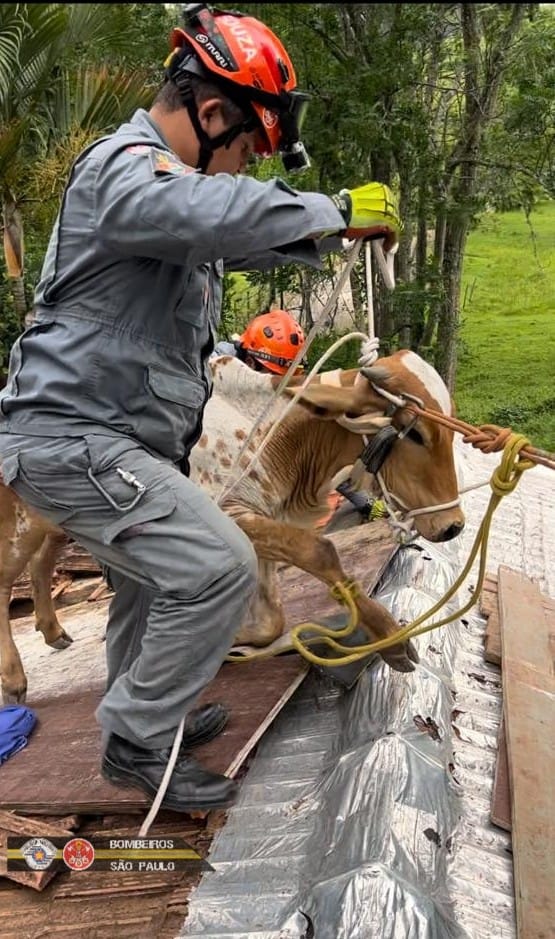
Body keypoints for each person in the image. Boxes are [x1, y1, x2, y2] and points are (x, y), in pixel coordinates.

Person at [0, 3, 401, 814]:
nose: (248, 168)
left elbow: (236, 232)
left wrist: (332, 235)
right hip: (74, 440)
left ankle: (154, 712)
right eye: (249, 148)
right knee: (217, 566)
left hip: (113, 445)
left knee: (148, 589)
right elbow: (205, 213)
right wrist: (333, 208)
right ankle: (137, 739)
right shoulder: (126, 169)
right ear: (211, 113)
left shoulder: (167, 202)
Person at [213, 309, 377, 518]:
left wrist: (368, 503)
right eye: (273, 377)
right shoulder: (208, 382)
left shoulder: (276, 394)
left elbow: (316, 451)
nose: (277, 387)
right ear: (251, 362)